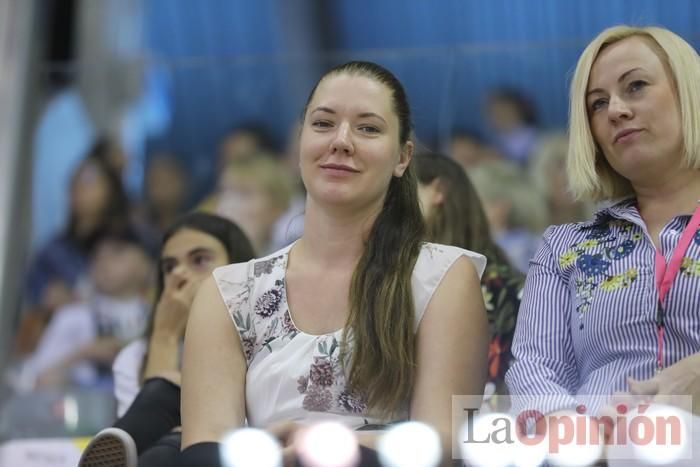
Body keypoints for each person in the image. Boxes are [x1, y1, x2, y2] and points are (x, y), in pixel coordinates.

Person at [178, 61, 488, 467]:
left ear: (403, 157)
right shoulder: (229, 291)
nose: (341, 141)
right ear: (299, 144)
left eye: (368, 128)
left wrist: (320, 447)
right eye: (323, 124)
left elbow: (444, 443)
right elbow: (204, 450)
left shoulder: (443, 277)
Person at [506, 25, 700, 418]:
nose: (615, 110)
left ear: (690, 92)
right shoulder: (565, 245)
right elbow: (533, 368)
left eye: (636, 86)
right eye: (597, 103)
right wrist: (578, 435)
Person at [79, 213, 255, 467]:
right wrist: (165, 336)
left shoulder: (267, 337)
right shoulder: (134, 357)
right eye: (169, 266)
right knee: (164, 448)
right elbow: (134, 449)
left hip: (241, 451)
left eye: (200, 260)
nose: (180, 274)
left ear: (238, 268)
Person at [415, 152, 525, 401]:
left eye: (399, 190)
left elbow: (506, 392)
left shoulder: (509, 290)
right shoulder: (390, 278)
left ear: (438, 191)